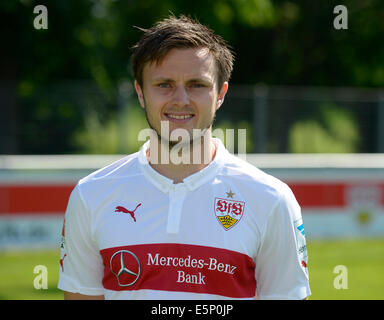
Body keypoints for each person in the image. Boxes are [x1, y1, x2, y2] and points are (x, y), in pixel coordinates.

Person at [58, 15, 311, 300]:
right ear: (140, 93)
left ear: (220, 94)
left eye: (196, 85)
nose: (180, 99)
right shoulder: (91, 195)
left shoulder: (271, 199)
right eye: (164, 84)